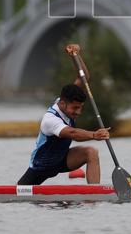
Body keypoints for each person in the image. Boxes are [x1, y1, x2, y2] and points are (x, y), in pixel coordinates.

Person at [17, 44, 111, 186]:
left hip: (62, 159)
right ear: (62, 104)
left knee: (91, 152)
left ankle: (94, 193)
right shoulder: (50, 119)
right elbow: (72, 133)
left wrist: (75, 56)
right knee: (19, 191)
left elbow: (83, 77)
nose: (78, 112)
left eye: (81, 108)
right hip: (42, 165)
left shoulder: (68, 99)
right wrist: (94, 135)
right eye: (75, 108)